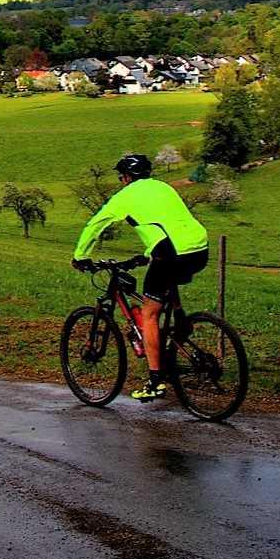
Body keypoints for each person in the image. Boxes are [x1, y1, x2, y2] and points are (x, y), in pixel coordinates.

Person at [71, 153, 211, 402]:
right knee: (165, 277)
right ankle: (180, 321)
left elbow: (96, 224)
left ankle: (155, 381)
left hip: (171, 252)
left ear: (125, 177)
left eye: (121, 177)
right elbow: (167, 221)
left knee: (149, 313)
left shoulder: (125, 196)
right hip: (199, 248)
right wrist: (148, 253)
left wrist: (80, 256)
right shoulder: (163, 187)